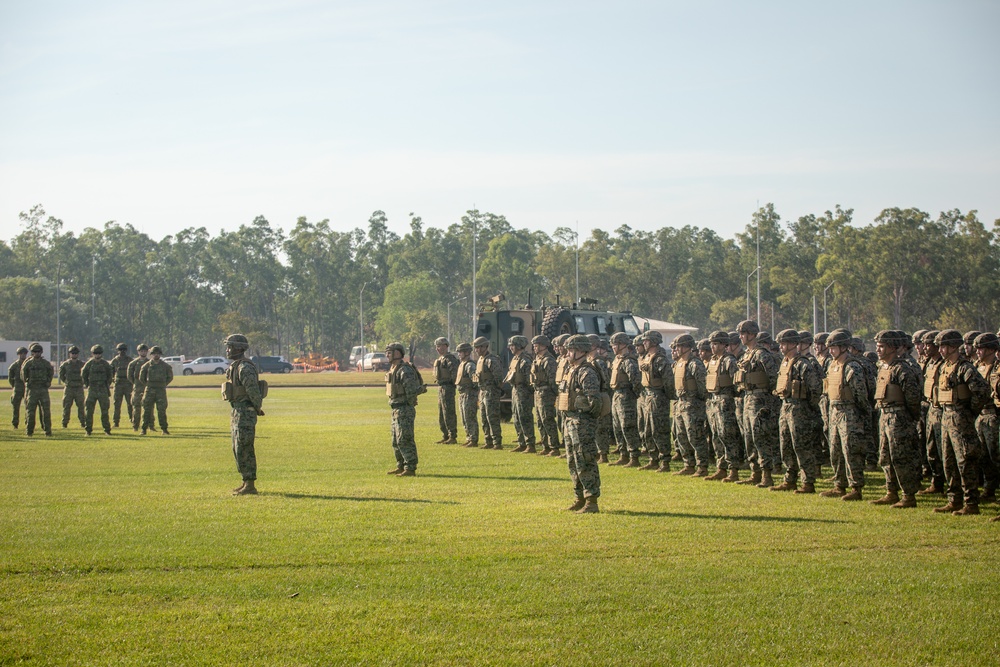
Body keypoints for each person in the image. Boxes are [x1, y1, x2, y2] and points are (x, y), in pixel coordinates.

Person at [932, 329, 990, 515]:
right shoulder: (944, 366)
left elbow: (982, 391)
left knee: (965, 460)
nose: (941, 349)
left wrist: (969, 411)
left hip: (960, 417)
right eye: (940, 346)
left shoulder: (965, 367)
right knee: (948, 461)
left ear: (954, 346)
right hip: (946, 416)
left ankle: (971, 503)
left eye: (944, 346)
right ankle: (954, 500)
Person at [869, 330, 922, 509]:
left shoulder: (902, 368)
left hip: (899, 417)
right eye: (878, 346)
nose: (878, 350)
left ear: (892, 347)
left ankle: (908, 495)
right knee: (885, 456)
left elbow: (913, 397)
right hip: (885, 415)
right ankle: (891, 491)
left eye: (882, 346)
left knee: (901, 456)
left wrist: (911, 418)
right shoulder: (883, 367)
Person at [771, 329, 823, 494]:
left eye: (784, 343)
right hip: (786, 406)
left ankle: (808, 482)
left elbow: (816, 388)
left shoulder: (803, 364)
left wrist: (809, 408)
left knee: (801, 446)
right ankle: (790, 479)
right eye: (780, 343)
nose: (781, 346)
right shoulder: (785, 362)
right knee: (785, 445)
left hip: (800, 409)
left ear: (794, 344)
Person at [821, 328, 870, 500]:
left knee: (851, 450)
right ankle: (839, 485)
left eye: (834, 347)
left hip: (850, 412)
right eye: (830, 347)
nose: (830, 350)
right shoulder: (832, 365)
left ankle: (856, 488)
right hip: (835, 410)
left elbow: (861, 394)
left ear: (844, 347)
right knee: (835, 450)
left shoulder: (852, 366)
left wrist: (862, 414)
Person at [561, 335, 602, 513]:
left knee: (584, 459)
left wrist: (585, 417)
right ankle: (579, 497)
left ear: (581, 351)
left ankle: (591, 500)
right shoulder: (572, 370)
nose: (568, 353)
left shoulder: (587, 372)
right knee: (573, 461)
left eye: (571, 350)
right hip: (570, 420)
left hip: (582, 422)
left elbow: (595, 402)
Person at [734, 320, 779, 487]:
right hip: (748, 398)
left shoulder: (762, 354)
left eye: (744, 333)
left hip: (761, 399)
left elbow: (773, 377)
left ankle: (767, 475)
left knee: (760, 437)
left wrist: (770, 400)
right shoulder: (746, 355)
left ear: (752, 334)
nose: (741, 336)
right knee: (749, 437)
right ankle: (755, 472)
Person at [224, 334, 265, 495]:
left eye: (231, 347)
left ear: (240, 348)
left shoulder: (244, 368)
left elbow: (253, 391)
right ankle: (245, 480)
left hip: (245, 411)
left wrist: (256, 407)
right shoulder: (235, 366)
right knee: (237, 447)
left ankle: (250, 484)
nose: (228, 350)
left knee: (245, 446)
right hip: (237, 410)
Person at [705, 330, 744, 482]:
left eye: (715, 344)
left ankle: (733, 470)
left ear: (723, 344)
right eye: (711, 344)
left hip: (726, 401)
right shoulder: (713, 361)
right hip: (714, 401)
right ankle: (721, 467)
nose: (712, 347)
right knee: (716, 436)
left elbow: (737, 382)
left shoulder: (729, 361)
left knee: (728, 436)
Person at [671, 333, 710, 476]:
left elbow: (702, 385)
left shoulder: (695, 363)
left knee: (696, 436)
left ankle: (702, 466)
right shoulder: (678, 363)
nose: (677, 349)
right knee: (681, 436)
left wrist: (697, 401)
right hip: (681, 403)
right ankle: (688, 464)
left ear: (687, 347)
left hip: (693, 404)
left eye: (680, 346)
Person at [638, 330, 674, 471]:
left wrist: (666, 396)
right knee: (648, 430)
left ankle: (664, 461)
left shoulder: (660, 359)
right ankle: (653, 459)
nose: (644, 343)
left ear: (653, 342)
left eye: (646, 341)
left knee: (659, 430)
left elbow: (668, 381)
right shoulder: (647, 357)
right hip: (648, 395)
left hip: (658, 396)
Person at [385, 341, 421, 476]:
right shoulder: (393, 369)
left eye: (390, 352)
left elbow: (411, 390)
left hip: (404, 408)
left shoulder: (404, 370)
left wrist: (410, 403)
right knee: (395, 439)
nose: (387, 355)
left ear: (398, 353)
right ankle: (400, 464)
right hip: (395, 408)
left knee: (404, 438)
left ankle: (410, 467)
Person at [973, 333, 1000, 506]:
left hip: (994, 416)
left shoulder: (997, 367)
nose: (977, 352)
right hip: (980, 416)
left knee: (996, 456)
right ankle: (989, 490)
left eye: (981, 348)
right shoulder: (977, 366)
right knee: (983, 456)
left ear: (991, 349)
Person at [608, 331, 642, 467]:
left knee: (628, 426)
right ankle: (623, 454)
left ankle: (634, 456)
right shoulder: (617, 359)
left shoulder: (629, 361)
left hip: (626, 396)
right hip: (616, 395)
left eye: (615, 345)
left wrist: (633, 395)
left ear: (623, 345)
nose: (613, 347)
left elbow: (636, 381)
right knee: (617, 426)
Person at [505, 335, 536, 453]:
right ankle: (521, 442)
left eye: (513, 345)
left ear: (519, 345)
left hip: (524, 391)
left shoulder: (525, 360)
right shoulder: (515, 359)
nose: (511, 348)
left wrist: (528, 392)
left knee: (525, 417)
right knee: (517, 417)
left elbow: (529, 379)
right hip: (515, 390)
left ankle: (530, 444)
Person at [530, 335, 560, 456]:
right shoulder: (537, 359)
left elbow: (552, 379)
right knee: (540, 420)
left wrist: (554, 394)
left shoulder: (549, 360)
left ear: (543, 346)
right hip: (538, 392)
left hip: (546, 393)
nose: (534, 348)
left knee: (547, 420)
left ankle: (554, 447)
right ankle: (545, 445)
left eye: (536, 346)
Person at [473, 336, 505, 450]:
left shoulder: (492, 360)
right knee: (484, 418)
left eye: (478, 347)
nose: (476, 350)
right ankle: (488, 441)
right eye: (476, 348)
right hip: (482, 391)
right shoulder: (480, 360)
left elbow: (498, 377)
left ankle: (497, 442)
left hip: (491, 391)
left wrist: (494, 389)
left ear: (485, 347)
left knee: (492, 417)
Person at [138, 346, 173, 435]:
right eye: (154, 354)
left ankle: (164, 429)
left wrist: (163, 384)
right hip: (149, 390)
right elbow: (141, 378)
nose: (156, 355)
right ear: (151, 355)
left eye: (158, 354)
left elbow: (170, 377)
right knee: (146, 410)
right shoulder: (146, 366)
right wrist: (148, 385)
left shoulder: (165, 366)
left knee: (161, 410)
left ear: (160, 355)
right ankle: (144, 429)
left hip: (161, 390)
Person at [21, 342, 53, 436]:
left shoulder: (46, 364)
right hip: (32, 390)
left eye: (38, 351)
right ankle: (29, 431)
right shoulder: (28, 364)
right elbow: (23, 374)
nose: (37, 353)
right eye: (35, 351)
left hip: (43, 390)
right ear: (32, 353)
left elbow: (50, 373)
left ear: (41, 352)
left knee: (46, 411)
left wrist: (48, 382)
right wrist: (27, 382)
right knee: (30, 412)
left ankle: (48, 431)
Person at [81, 344, 113, 436]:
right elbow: (84, 374)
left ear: (101, 354)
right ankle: (88, 430)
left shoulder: (105, 364)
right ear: (92, 354)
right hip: (92, 389)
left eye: (99, 353)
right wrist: (87, 384)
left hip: (103, 389)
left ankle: (107, 430)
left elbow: (110, 375)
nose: (97, 355)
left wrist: (107, 384)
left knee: (105, 411)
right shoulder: (89, 364)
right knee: (89, 411)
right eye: (95, 353)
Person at [432, 337, 459, 444]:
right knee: (442, 413)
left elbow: (454, 374)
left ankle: (452, 436)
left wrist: (451, 385)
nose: (439, 348)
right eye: (437, 346)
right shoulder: (440, 359)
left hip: (448, 387)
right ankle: (445, 435)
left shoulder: (450, 359)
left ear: (446, 346)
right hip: (441, 387)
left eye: (441, 346)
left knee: (449, 412)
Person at [455, 343, 480, 447]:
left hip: (469, 394)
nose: (459, 354)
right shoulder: (462, 364)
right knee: (464, 417)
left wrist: (473, 391)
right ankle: (469, 437)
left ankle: (473, 439)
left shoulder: (470, 365)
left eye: (460, 352)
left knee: (470, 417)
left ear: (467, 352)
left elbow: (475, 380)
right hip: (462, 394)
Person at [58, 346, 86, 429]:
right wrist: (66, 382)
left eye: (76, 353)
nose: (74, 355)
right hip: (69, 388)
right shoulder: (65, 364)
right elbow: (61, 375)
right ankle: (64, 423)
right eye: (72, 353)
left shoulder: (82, 364)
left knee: (81, 406)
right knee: (66, 406)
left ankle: (83, 423)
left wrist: (82, 382)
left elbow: (85, 374)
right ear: (70, 354)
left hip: (79, 388)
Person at [127, 344, 152, 432]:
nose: (143, 352)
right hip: (137, 388)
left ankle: (150, 425)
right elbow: (130, 376)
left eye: (145, 351)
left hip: (147, 388)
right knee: (136, 408)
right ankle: (135, 426)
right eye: (141, 351)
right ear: (138, 352)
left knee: (149, 407)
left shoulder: (150, 363)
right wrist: (135, 383)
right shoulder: (133, 364)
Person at [109, 343, 133, 428]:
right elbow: (110, 372)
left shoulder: (130, 360)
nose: (122, 351)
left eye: (123, 350)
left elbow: (133, 372)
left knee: (130, 403)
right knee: (117, 404)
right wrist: (112, 380)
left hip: (128, 385)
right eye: (120, 350)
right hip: (118, 385)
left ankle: (133, 420)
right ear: (117, 351)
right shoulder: (115, 361)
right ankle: (116, 422)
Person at [8, 346, 28, 429]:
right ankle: (15, 423)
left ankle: (28, 423)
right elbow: (10, 378)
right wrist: (14, 385)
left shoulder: (28, 364)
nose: (23, 355)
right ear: (18, 354)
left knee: (28, 407)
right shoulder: (14, 365)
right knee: (16, 407)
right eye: (21, 353)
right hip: (17, 388)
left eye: (24, 353)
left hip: (27, 388)